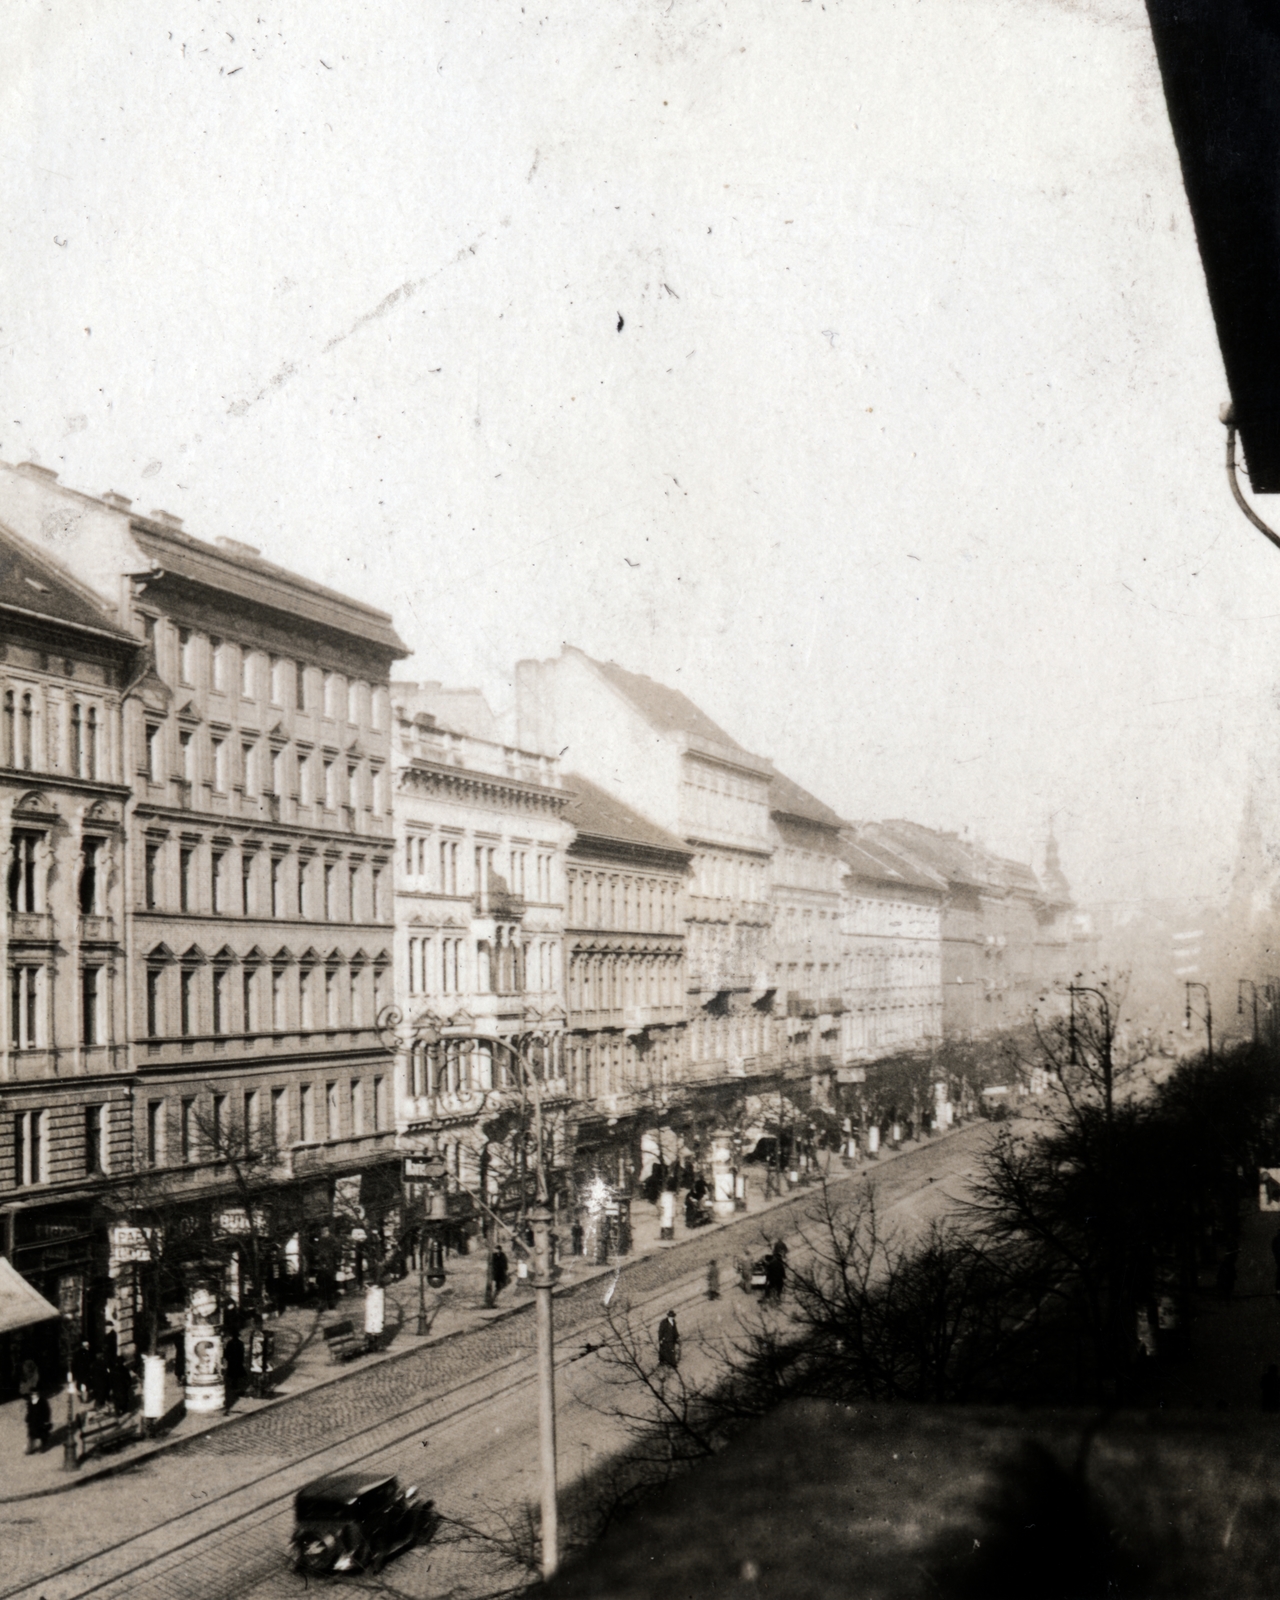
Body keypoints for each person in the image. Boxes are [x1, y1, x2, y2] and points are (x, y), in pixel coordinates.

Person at [314, 1227, 340, 1311]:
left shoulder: (329, 1240)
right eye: (323, 1231)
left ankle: (327, 1304)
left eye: (325, 1231)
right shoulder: (323, 1240)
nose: (324, 1232)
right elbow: (317, 1252)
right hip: (326, 1265)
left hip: (327, 1264)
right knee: (325, 1284)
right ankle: (327, 1304)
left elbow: (336, 1252)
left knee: (326, 1284)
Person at [223, 1329, 246, 1412]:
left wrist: (227, 1358)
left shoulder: (230, 1343)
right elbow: (242, 1352)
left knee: (232, 1373)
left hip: (232, 1360)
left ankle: (233, 1384)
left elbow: (227, 1352)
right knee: (237, 1373)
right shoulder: (240, 1343)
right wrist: (241, 1360)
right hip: (237, 1360)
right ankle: (235, 1385)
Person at [24, 1390, 51, 1455]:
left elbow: (47, 1411)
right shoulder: (30, 1402)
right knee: (31, 1435)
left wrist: (46, 1420)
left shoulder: (42, 1401)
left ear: (38, 1394)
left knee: (41, 1435)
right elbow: (29, 1411)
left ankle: (41, 1448)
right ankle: (29, 1448)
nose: (34, 1395)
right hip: (32, 1422)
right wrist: (27, 1419)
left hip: (40, 1421)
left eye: (35, 1394)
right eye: (32, 1394)